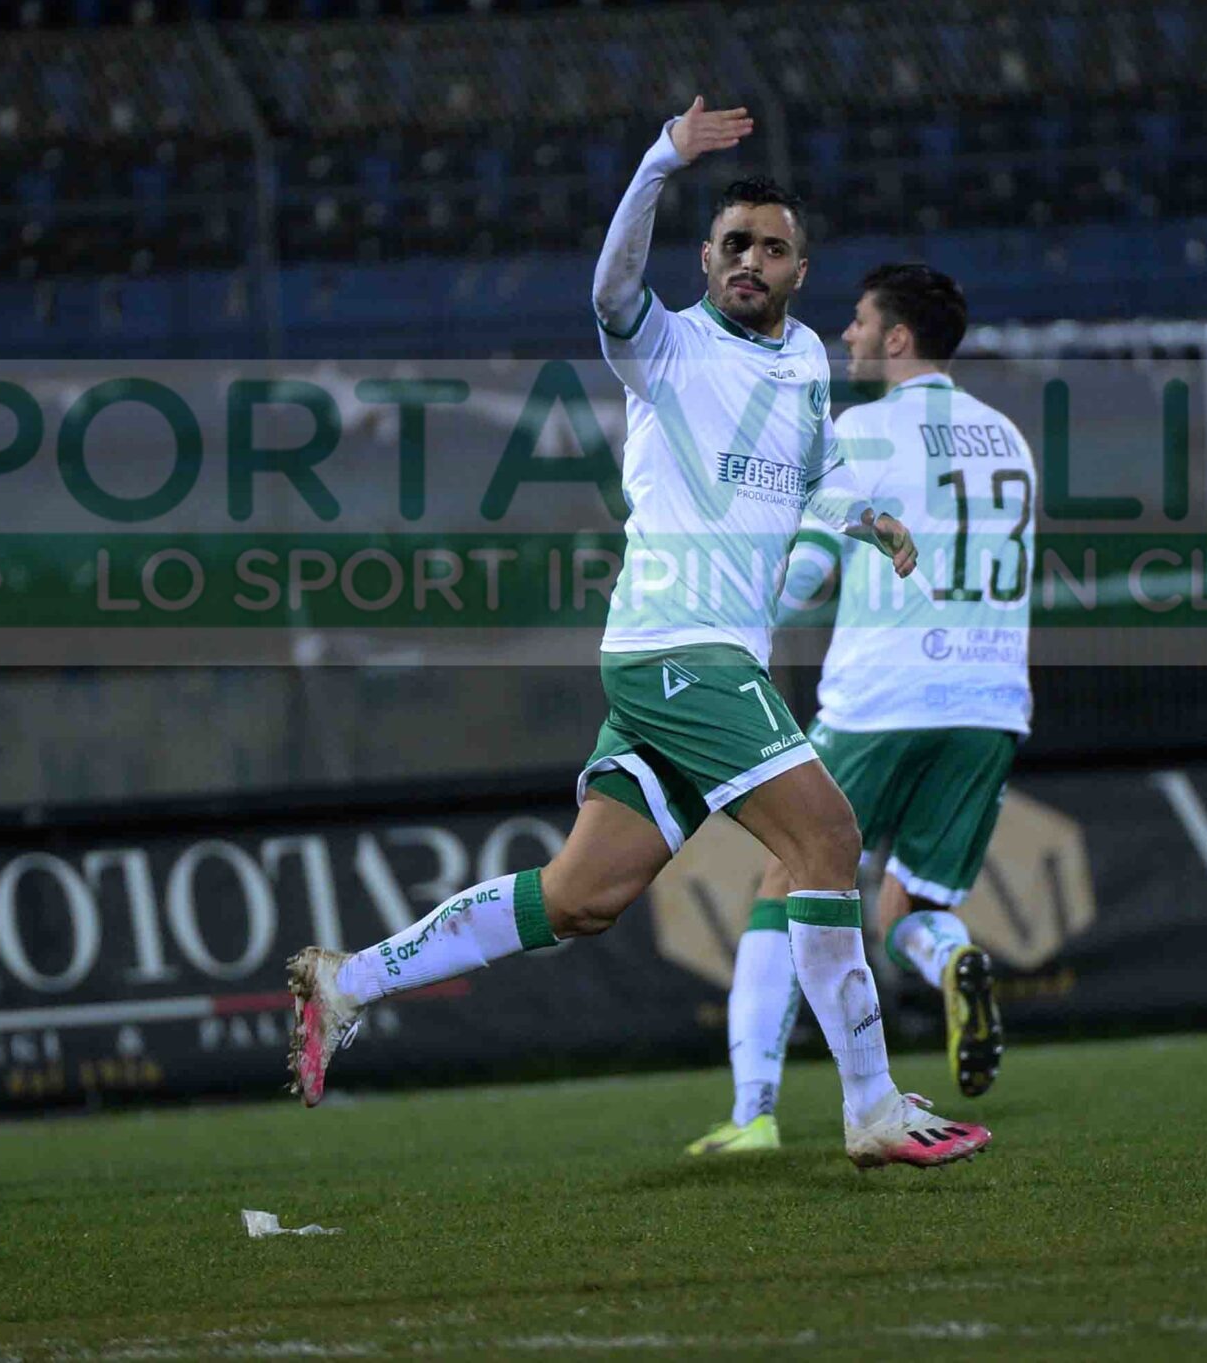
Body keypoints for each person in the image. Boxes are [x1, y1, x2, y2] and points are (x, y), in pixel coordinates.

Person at [287, 100, 992, 1169]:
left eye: (772, 246)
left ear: (800, 271)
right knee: (828, 843)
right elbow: (609, 287)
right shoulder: (662, 347)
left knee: (582, 898)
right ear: (704, 259)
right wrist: (662, 160)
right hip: (681, 647)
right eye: (732, 244)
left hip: (687, 663)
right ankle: (872, 1107)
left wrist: (863, 514)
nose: (750, 259)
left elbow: (811, 473)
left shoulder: (803, 361)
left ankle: (346, 980)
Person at [688, 263, 1033, 1156]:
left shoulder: (865, 433)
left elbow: (807, 564)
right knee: (905, 906)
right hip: (992, 700)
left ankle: (753, 1110)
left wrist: (740, 616)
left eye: (859, 322)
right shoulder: (1009, 438)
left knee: (782, 875)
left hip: (883, 694)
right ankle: (954, 962)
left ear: (898, 339)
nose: (845, 336)